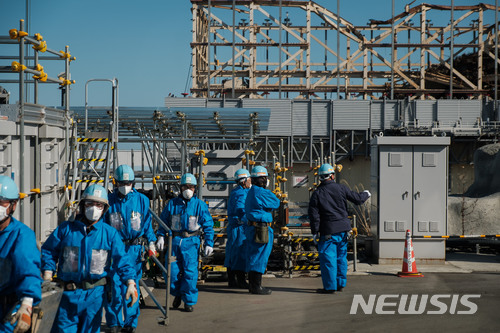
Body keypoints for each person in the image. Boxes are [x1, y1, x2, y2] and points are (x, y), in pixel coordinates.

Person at [41, 184, 138, 332]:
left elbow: (123, 260)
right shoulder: (66, 229)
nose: (94, 208)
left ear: (104, 208)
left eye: (99, 205)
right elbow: (48, 251)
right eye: (90, 203)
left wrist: (131, 282)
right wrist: (47, 273)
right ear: (82, 205)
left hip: (94, 296)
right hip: (66, 295)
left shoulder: (109, 234)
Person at [104, 165, 157, 333]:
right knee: (114, 286)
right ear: (116, 182)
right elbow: (103, 226)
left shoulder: (142, 200)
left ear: (133, 182)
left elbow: (147, 224)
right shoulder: (109, 201)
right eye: (122, 182)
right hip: (115, 250)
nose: (125, 185)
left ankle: (130, 323)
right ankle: (114, 322)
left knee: (132, 287)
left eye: (128, 182)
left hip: (134, 249)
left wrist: (152, 242)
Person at [308, 163, 370, 294]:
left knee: (328, 259)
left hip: (328, 231)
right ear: (332, 175)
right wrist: (366, 194)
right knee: (341, 257)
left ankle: (330, 287)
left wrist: (314, 232)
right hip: (343, 229)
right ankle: (341, 283)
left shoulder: (317, 193)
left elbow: (314, 216)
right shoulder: (341, 188)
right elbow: (358, 199)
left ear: (320, 177)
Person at [156, 173, 214, 312]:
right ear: (180, 188)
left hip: (191, 242)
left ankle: (189, 301)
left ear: (195, 189)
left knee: (190, 273)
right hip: (175, 242)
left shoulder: (200, 205)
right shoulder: (172, 204)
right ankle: (177, 294)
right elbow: (163, 222)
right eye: (185, 187)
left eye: (191, 187)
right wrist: (160, 236)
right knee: (171, 272)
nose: (188, 190)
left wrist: (209, 243)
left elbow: (208, 225)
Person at [0, 176, 42, 333]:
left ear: (13, 205)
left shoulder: (22, 235)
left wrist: (26, 305)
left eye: (2, 202)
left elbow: (28, 270)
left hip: (7, 309)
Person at [244, 166, 280, 295]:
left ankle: (253, 285)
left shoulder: (252, 191)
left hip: (254, 227)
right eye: (263, 178)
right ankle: (256, 287)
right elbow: (276, 203)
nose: (265, 180)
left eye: (265, 178)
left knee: (254, 255)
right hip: (261, 228)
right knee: (259, 256)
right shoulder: (260, 192)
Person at [224, 169, 251, 289]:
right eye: (249, 180)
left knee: (231, 253)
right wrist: (249, 220)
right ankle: (240, 281)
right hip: (240, 227)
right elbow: (241, 209)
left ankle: (232, 280)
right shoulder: (241, 193)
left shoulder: (236, 192)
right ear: (243, 181)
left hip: (234, 226)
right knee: (240, 253)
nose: (250, 182)